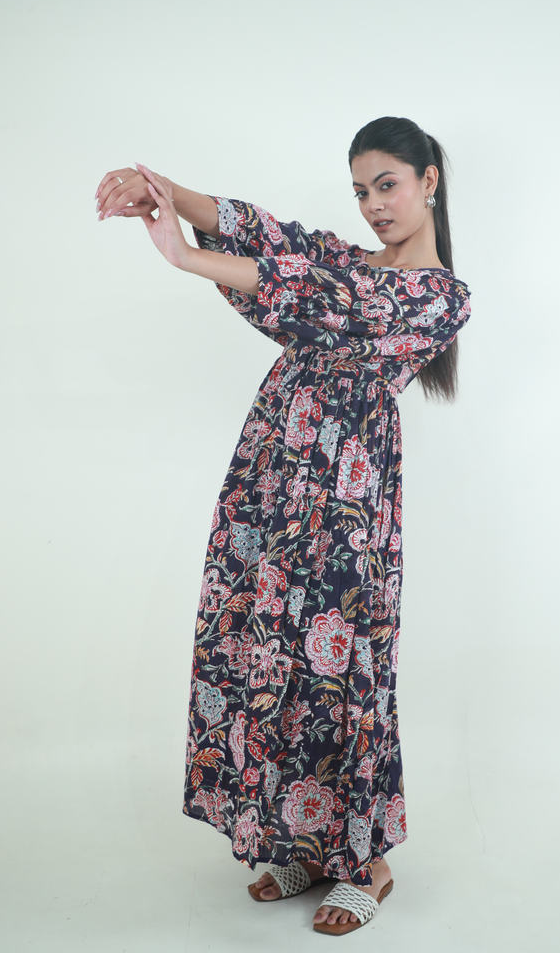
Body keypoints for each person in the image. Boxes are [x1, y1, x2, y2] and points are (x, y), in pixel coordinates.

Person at [95, 116, 472, 936]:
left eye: (387, 185)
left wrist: (184, 257)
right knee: (264, 647)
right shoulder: (349, 259)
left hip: (344, 501)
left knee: (336, 667)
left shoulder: (439, 298)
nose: (373, 205)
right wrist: (162, 190)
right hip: (271, 477)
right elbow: (270, 236)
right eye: (361, 191)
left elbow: (316, 295)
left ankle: (365, 865)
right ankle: (299, 839)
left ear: (429, 180)